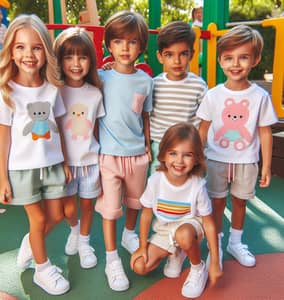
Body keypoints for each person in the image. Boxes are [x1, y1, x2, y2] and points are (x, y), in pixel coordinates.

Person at [0, 14, 70, 295]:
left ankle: (29, 244)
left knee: (57, 215)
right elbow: (3, 139)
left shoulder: (52, 88)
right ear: (11, 51)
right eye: (21, 47)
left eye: (36, 47)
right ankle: (43, 268)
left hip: (52, 164)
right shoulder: (6, 91)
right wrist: (3, 180)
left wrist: (66, 161)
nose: (28, 54)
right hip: (22, 169)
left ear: (45, 51)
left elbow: (59, 127)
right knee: (37, 220)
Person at [197, 25, 278, 269]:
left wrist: (266, 165)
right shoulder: (213, 95)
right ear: (220, 60)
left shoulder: (260, 96)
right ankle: (217, 245)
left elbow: (264, 131)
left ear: (254, 60)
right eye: (229, 57)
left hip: (246, 160)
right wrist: (196, 158)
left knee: (240, 202)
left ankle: (235, 241)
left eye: (243, 57)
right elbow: (203, 128)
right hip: (216, 159)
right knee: (217, 203)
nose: (236, 64)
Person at [95, 11, 153, 291]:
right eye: (118, 42)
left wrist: (148, 145)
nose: (125, 48)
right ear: (109, 45)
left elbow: (145, 117)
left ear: (141, 46)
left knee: (135, 202)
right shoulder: (100, 77)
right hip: (108, 156)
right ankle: (111, 259)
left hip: (138, 155)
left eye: (132, 42)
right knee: (110, 208)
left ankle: (130, 234)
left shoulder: (145, 81)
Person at [131, 122, 222, 299]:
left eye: (187, 155)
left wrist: (215, 261)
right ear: (163, 154)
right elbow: (146, 215)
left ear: (196, 158)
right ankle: (178, 252)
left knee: (184, 235)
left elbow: (209, 223)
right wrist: (142, 247)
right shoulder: (155, 180)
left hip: (190, 227)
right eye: (173, 153)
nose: (179, 161)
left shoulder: (197, 184)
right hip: (166, 230)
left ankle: (198, 267)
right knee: (139, 265)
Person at [53, 27, 105, 268]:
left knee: (87, 204)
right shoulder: (54, 91)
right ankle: (74, 229)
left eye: (82, 57)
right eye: (69, 56)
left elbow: (94, 128)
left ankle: (84, 241)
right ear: (59, 59)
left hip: (90, 161)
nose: (76, 63)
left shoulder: (95, 93)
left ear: (90, 61)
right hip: (63, 163)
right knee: (67, 208)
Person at [149, 21, 207, 174]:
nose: (176, 61)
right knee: (159, 187)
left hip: (188, 149)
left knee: (189, 188)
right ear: (160, 56)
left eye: (183, 54)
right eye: (169, 54)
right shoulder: (154, 85)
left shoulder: (198, 86)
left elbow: (205, 122)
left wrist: (198, 148)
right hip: (160, 147)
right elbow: (146, 116)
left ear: (192, 55)